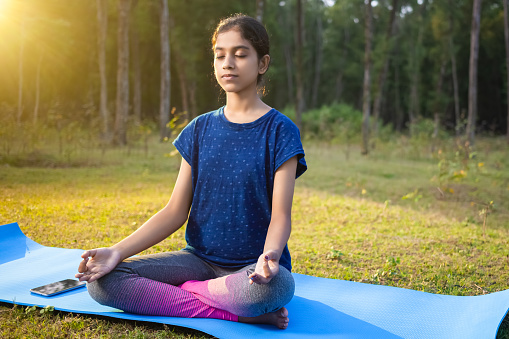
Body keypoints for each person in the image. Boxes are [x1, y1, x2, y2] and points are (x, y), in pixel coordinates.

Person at [75, 13, 307, 330]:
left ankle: (192, 296)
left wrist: (269, 257)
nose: (228, 63)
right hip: (197, 261)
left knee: (276, 288)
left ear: (262, 63)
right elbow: (174, 211)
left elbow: (281, 215)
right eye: (220, 55)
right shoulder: (199, 129)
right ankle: (227, 311)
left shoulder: (281, 131)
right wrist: (116, 252)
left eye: (240, 54)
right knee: (103, 281)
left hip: (253, 270)